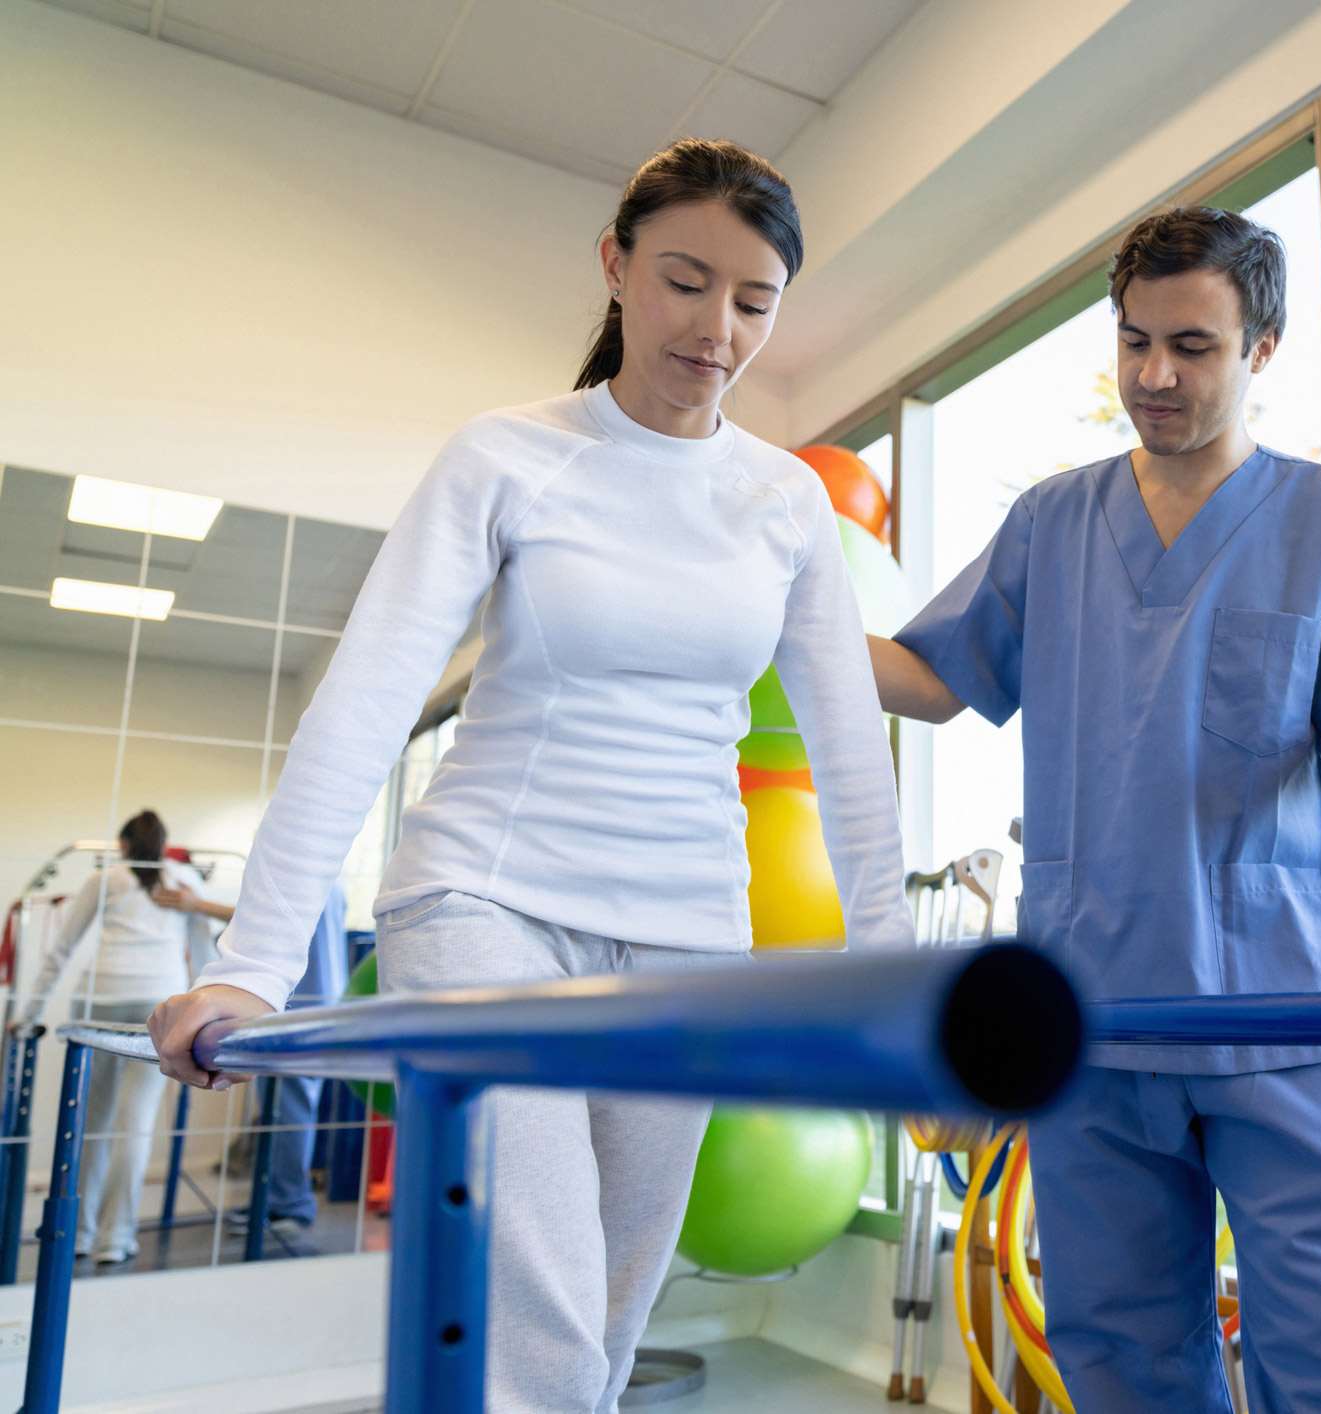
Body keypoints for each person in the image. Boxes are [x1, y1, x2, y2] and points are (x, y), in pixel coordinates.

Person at [149, 139, 914, 1412]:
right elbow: (368, 702)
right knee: (538, 1309)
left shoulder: (784, 503)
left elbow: (849, 753)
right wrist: (254, 960)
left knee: (605, 1322)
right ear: (615, 266)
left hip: (688, 937)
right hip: (487, 908)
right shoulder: (507, 456)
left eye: (754, 301)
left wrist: (893, 977)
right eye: (684, 280)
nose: (716, 328)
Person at [873, 207, 1321, 1412]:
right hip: (1095, 1012)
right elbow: (936, 679)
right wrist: (772, 628)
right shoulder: (1052, 522)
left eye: (1193, 347)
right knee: (1121, 1353)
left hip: (1280, 1008)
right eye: (1134, 340)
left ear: (1261, 348)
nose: (1155, 375)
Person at [33, 810, 216, 1266]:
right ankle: (114, 1239)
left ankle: (78, 1233)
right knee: (135, 1123)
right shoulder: (184, 878)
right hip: (161, 1003)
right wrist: (206, 1017)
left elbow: (62, 949)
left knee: (91, 1122)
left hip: (103, 998)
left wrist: (28, 1013)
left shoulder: (105, 879)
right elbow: (204, 951)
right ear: (164, 844)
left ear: (124, 844)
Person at [156, 876, 346, 1228]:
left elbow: (269, 926)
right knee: (282, 1110)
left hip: (301, 1006)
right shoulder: (328, 880)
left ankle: (290, 1203)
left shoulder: (304, 878)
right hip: (311, 1001)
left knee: (289, 1110)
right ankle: (276, 1199)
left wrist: (196, 905)